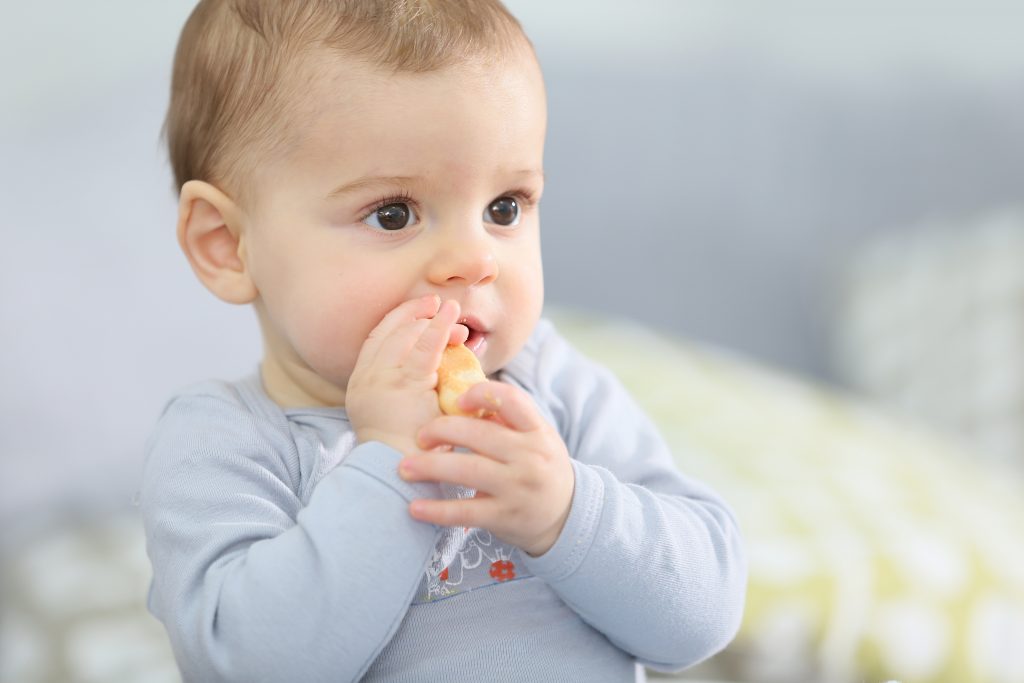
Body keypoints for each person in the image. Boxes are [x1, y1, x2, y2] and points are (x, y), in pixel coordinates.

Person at [140, 1, 747, 681]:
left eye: (504, 208)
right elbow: (249, 664)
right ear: (227, 245)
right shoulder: (225, 443)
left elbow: (703, 614)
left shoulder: (547, 388)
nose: (475, 257)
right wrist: (390, 461)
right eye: (393, 213)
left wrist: (567, 512)